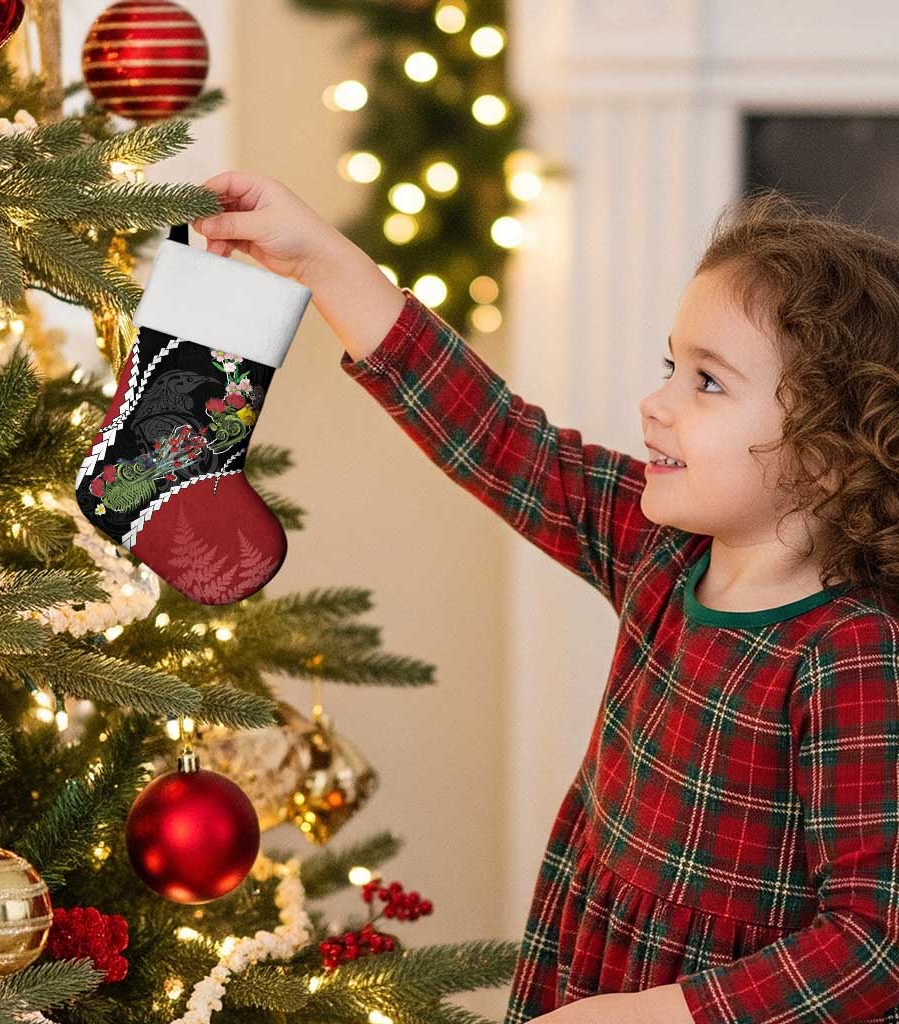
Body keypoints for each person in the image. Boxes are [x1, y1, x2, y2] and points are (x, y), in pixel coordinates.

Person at [193, 174, 899, 1024]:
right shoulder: (661, 552)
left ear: (830, 453)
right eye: (672, 366)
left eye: (707, 383)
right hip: (591, 964)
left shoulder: (853, 652)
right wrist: (326, 262)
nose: (657, 403)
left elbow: (873, 942)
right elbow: (497, 436)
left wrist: (653, 1016)